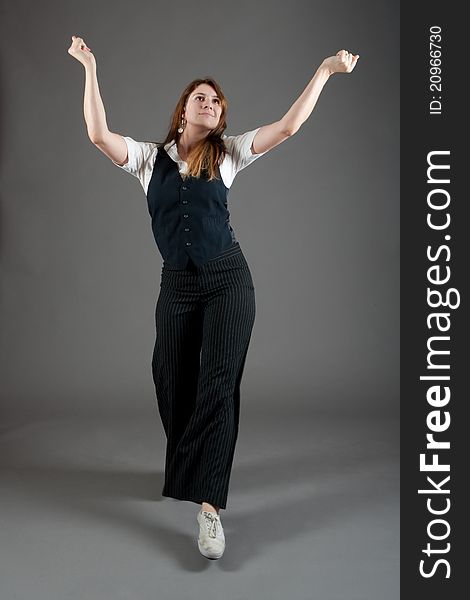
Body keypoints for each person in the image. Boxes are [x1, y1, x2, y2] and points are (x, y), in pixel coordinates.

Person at [67, 34, 359, 560]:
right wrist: (89, 67)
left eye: (217, 100)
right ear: (184, 110)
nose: (211, 103)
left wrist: (324, 70)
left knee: (218, 386)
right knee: (169, 377)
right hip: (177, 285)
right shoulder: (146, 159)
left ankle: (208, 510)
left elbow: (288, 126)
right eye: (201, 97)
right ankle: (189, 465)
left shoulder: (229, 156)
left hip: (228, 281)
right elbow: (95, 134)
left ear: (220, 117)